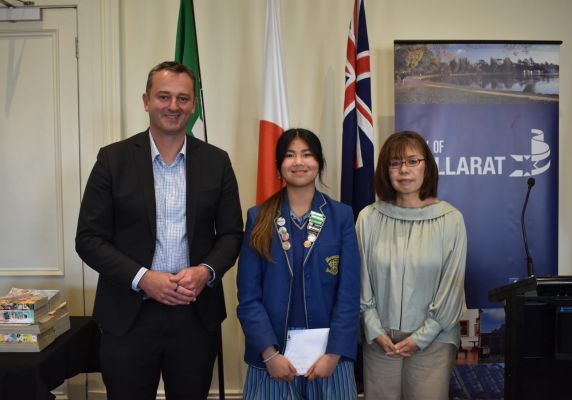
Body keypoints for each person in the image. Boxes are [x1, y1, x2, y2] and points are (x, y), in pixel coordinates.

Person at [75, 61, 243, 400]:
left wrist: (206, 271)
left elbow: (231, 234)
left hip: (194, 314)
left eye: (182, 98)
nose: (173, 106)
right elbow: (88, 239)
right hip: (128, 315)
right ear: (146, 100)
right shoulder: (113, 160)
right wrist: (142, 278)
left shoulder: (217, 161)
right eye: (163, 96)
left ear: (194, 104)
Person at [237, 128, 360, 399]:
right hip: (273, 361)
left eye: (307, 154)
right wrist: (269, 355)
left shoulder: (341, 217)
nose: (299, 162)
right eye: (290, 155)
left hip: (329, 361)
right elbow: (248, 297)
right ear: (279, 165)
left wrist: (333, 354)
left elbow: (349, 295)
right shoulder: (258, 217)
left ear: (319, 162)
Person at [357, 131, 467, 400]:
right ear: (386, 170)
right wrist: (374, 330)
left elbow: (451, 289)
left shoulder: (450, 219)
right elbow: (361, 283)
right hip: (380, 342)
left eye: (412, 161)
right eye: (395, 163)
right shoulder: (368, 218)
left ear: (426, 166)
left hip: (434, 342)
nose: (403, 170)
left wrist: (421, 338)